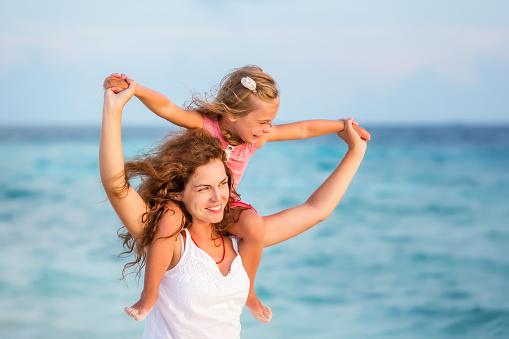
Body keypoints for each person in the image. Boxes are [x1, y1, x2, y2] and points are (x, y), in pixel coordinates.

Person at [100, 77, 366, 338]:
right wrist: (120, 103)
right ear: (179, 192)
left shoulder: (239, 241)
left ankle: (250, 290)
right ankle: (148, 295)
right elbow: (117, 186)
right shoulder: (170, 239)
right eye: (203, 188)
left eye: (222, 183)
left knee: (253, 223)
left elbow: (315, 209)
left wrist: (353, 144)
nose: (218, 197)